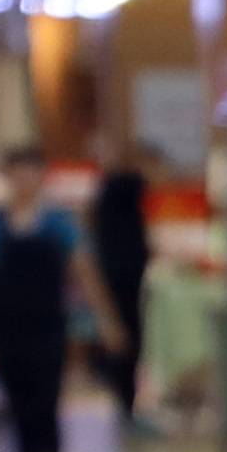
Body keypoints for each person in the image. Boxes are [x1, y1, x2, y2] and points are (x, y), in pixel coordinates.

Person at [0, 150, 83, 452]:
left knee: (46, 390)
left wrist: (104, 318)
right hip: (2, 322)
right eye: (16, 173)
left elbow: (82, 269)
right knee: (14, 393)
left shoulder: (58, 222)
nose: (23, 181)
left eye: (30, 172)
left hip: (47, 321)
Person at [87, 147, 155, 414]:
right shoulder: (125, 189)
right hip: (126, 276)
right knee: (127, 335)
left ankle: (122, 392)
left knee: (120, 333)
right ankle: (125, 395)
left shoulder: (106, 193)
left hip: (115, 273)